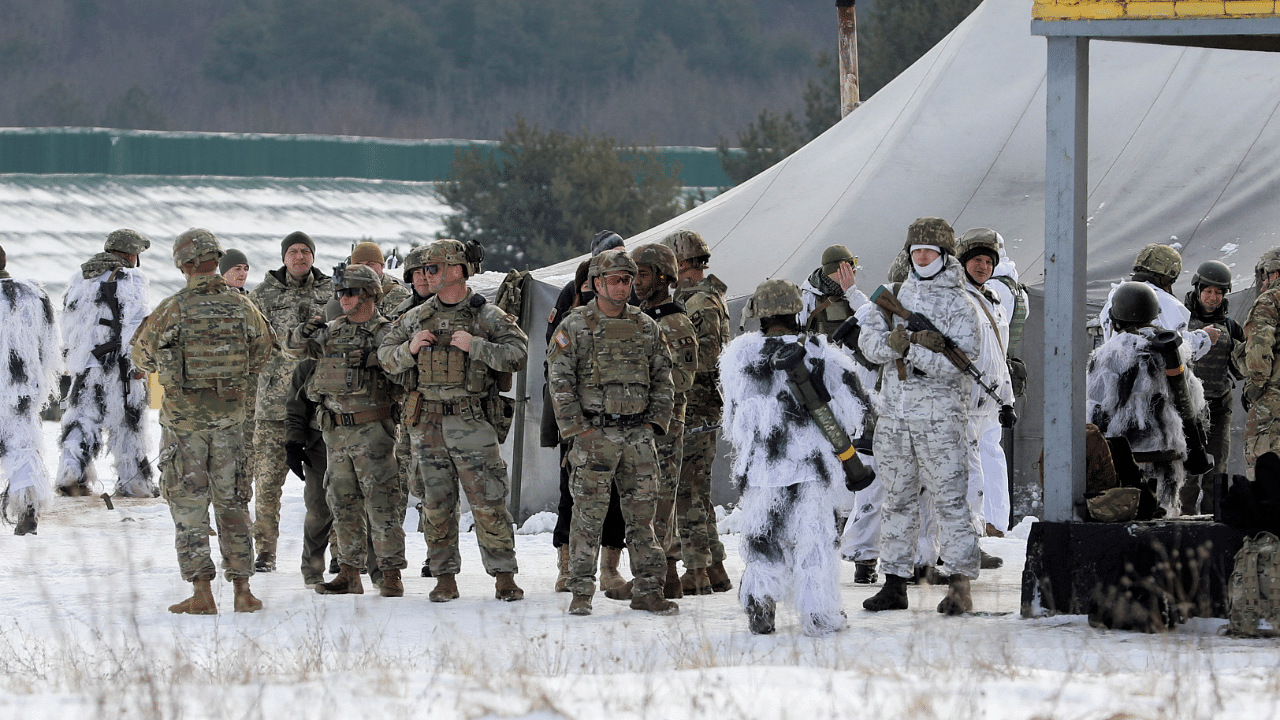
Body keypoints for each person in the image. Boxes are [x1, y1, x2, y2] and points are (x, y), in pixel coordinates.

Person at [131, 228, 274, 614]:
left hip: (184, 430)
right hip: (230, 426)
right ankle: (243, 591)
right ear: (216, 260)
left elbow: (141, 357)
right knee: (233, 505)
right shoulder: (243, 307)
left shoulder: (172, 308)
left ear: (183, 264)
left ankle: (202, 593)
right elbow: (263, 351)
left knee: (189, 508)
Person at [378, 239, 526, 603]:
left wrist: (475, 346)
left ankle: (504, 576)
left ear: (458, 270)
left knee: (489, 500)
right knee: (436, 504)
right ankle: (444, 576)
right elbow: (384, 356)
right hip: (427, 424)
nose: (427, 276)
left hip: (471, 421)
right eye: (424, 270)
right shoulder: (416, 316)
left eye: (434, 268)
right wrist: (409, 350)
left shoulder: (486, 316)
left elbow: (518, 354)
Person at [723, 278, 869, 635]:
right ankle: (819, 615)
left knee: (762, 539)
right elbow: (853, 412)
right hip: (812, 469)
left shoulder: (739, 355)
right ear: (796, 310)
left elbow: (733, 418)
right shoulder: (820, 350)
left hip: (761, 470)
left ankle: (760, 605)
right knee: (815, 542)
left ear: (758, 314)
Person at [859, 217, 981, 615]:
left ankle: (960, 583)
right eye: (916, 252)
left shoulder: (961, 306)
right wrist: (895, 342)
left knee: (950, 502)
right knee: (896, 502)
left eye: (930, 252)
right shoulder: (894, 295)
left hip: (940, 422)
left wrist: (912, 349)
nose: (923, 257)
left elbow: (958, 364)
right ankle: (894, 582)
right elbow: (868, 344)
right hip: (895, 419)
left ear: (945, 256)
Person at [547, 248, 678, 616]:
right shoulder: (574, 326)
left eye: (628, 280)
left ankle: (649, 588)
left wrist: (654, 424)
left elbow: (663, 379)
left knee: (642, 519)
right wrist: (579, 432)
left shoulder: (645, 326)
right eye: (615, 280)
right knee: (587, 518)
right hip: (594, 437)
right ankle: (581, 591)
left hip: (637, 437)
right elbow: (560, 383)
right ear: (597, 283)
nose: (623, 287)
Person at [287, 264, 406, 597]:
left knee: (382, 504)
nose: (343, 298)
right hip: (336, 435)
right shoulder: (331, 330)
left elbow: (405, 371)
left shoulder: (385, 333)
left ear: (368, 293)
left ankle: (390, 572)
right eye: (340, 293)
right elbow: (291, 348)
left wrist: (376, 360)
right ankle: (349, 572)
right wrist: (305, 329)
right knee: (342, 504)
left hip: (373, 432)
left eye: (350, 292)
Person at [545, 230, 632, 594]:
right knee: (572, 490)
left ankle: (610, 566)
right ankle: (567, 565)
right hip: (580, 417)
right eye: (610, 256)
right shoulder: (573, 290)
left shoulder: (630, 296)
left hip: (621, 415)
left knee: (618, 495)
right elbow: (554, 353)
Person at [249, 231, 333, 572]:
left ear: (312, 255)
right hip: (272, 407)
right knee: (267, 485)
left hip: (317, 407)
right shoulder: (263, 294)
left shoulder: (330, 291)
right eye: (293, 252)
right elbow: (251, 341)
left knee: (330, 485)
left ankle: (339, 555)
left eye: (305, 251)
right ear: (284, 257)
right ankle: (266, 550)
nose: (299, 257)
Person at [1087, 281, 1207, 516]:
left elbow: (1094, 411)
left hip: (1123, 459)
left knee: (1129, 518)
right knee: (1165, 517)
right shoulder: (1172, 350)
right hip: (1168, 455)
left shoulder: (1108, 354)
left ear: (1116, 316)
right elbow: (1193, 401)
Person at [56, 229, 155, 498]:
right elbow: (136, 325)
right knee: (128, 423)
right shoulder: (131, 278)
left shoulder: (79, 277)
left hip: (85, 366)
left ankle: (71, 476)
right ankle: (134, 483)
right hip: (118, 366)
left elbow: (68, 324)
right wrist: (140, 365)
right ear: (128, 254)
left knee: (81, 420)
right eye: (136, 253)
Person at [663, 229, 733, 594]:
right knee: (697, 492)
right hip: (702, 405)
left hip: (696, 405)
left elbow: (705, 357)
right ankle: (714, 567)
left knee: (686, 493)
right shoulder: (704, 297)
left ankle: (695, 571)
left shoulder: (700, 302)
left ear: (683, 263)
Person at [626, 243, 698, 598]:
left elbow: (685, 378)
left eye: (643, 275)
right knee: (641, 500)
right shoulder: (638, 317)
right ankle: (651, 573)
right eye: (634, 275)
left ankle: (662, 575)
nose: (636, 283)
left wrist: (643, 374)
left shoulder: (675, 321)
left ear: (664, 278)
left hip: (665, 424)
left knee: (661, 498)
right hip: (638, 422)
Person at [955, 229, 1015, 561]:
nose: (983, 266)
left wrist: (1007, 402)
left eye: (988, 261)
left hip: (987, 404)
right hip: (962, 401)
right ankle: (966, 545)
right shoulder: (955, 298)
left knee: (975, 472)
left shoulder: (992, 299)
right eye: (977, 260)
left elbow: (999, 357)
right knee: (968, 475)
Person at [0, 245, 61, 535]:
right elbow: (50, 346)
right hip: (21, 387)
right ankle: (28, 509)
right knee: (22, 447)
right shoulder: (33, 295)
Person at [1182, 260, 1243, 513]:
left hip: (1218, 406)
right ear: (1198, 289)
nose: (1213, 297)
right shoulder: (1181, 320)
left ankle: (1213, 518)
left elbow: (1242, 364)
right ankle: (1181, 520)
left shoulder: (1230, 326)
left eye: (1219, 292)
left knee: (1217, 470)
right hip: (1185, 408)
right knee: (1186, 470)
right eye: (1208, 291)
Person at [1099, 243, 1218, 360]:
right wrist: (1204, 337)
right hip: (1148, 375)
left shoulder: (1116, 294)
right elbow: (1175, 348)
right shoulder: (1164, 301)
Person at [1242, 248, 1280, 478]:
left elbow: (1259, 345)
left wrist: (1255, 385)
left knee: (1263, 456)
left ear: (1272, 273)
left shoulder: (1271, 299)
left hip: (1273, 395)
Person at [798, 244, 869, 336]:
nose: (851, 272)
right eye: (846, 269)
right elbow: (797, 333)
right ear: (835, 270)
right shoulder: (808, 296)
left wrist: (851, 292)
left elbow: (871, 317)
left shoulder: (851, 293)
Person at [351, 241, 411, 317]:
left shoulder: (396, 293)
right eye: (358, 265)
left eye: (370, 264)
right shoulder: (346, 290)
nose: (364, 269)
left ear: (382, 266)